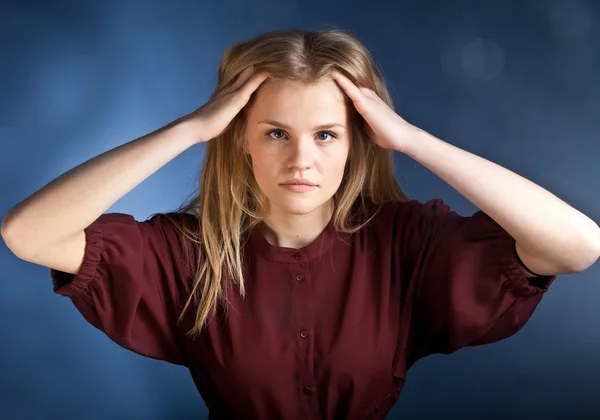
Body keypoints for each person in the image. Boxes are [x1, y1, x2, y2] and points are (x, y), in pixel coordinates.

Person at [2, 28, 599, 420]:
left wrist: (411, 140)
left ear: (355, 142)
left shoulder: (407, 242)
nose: (301, 161)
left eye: (326, 134)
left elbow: (578, 246)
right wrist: (189, 129)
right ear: (241, 140)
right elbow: (27, 234)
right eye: (276, 133)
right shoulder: (185, 254)